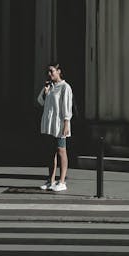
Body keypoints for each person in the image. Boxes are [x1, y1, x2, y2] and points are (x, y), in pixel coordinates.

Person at [37, 62, 73, 191]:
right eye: (48, 71)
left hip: (60, 123)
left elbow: (67, 106)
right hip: (49, 124)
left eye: (52, 71)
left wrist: (66, 122)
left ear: (59, 71)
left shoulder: (65, 87)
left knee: (61, 150)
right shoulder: (50, 86)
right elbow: (40, 101)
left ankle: (62, 181)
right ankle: (50, 180)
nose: (49, 74)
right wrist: (46, 92)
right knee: (50, 152)